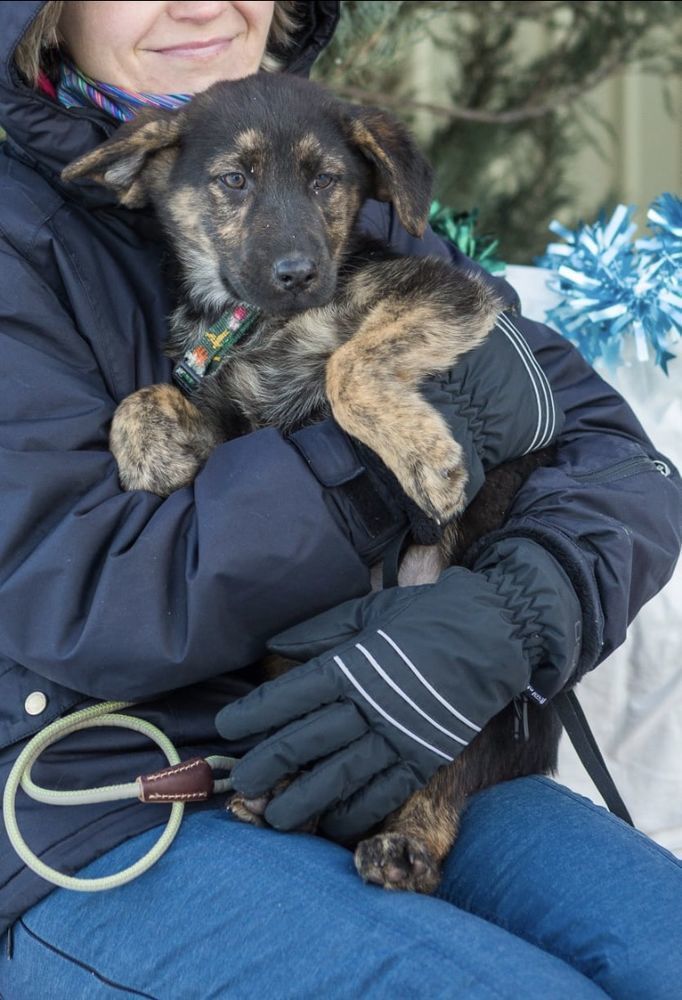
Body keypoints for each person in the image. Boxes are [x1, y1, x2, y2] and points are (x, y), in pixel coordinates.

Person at [0, 2, 680, 997]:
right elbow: (87, 588)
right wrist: (364, 471)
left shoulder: (342, 189)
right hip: (129, 808)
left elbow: (611, 458)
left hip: (408, 741)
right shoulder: (19, 244)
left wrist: (504, 615)